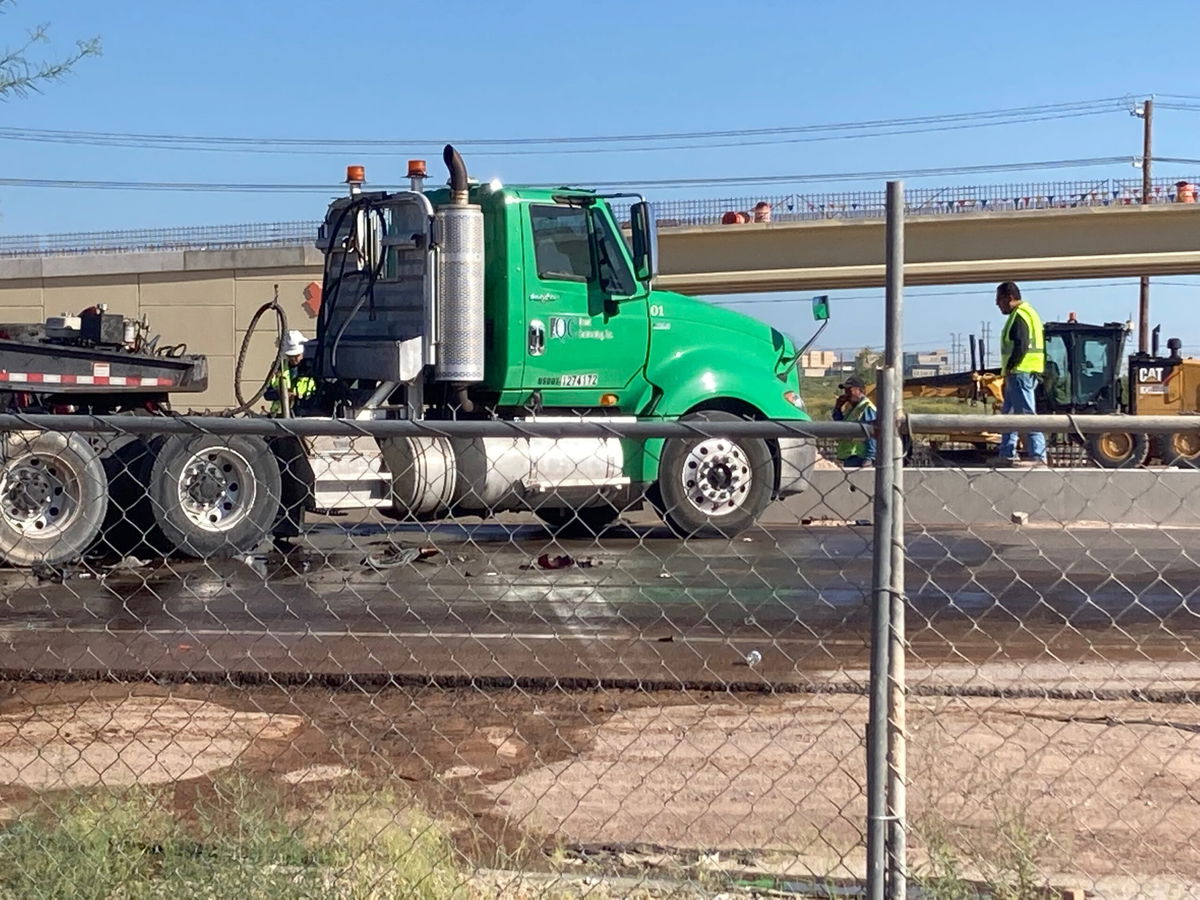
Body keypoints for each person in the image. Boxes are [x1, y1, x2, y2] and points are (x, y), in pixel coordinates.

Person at [993, 281, 1047, 466]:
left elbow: (1021, 345)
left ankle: (1038, 457)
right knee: (1009, 415)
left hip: (1020, 372)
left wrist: (1010, 367)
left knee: (1026, 415)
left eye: (999, 300)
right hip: (1020, 373)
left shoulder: (1021, 315)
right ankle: (1006, 454)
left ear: (1009, 298)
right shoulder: (1027, 313)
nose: (997, 304)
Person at [265, 329, 316, 416]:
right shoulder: (278, 368)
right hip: (280, 416)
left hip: (305, 416)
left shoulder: (313, 369)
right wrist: (282, 394)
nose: (294, 359)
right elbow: (267, 394)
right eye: (291, 356)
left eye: (297, 355)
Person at [832, 375, 877, 467]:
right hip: (848, 456)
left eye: (850, 391)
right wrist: (838, 408)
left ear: (860, 390)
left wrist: (869, 458)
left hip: (860, 456)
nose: (846, 394)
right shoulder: (851, 409)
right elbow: (840, 425)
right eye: (845, 391)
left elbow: (871, 433)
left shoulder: (866, 408)